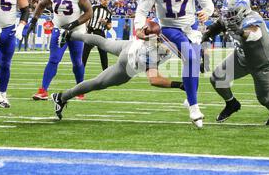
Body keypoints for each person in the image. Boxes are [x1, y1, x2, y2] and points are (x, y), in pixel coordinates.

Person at [134, 0, 214, 128]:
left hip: (191, 26)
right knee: (192, 59)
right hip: (169, 27)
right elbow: (142, 9)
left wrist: (208, 10)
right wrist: (139, 26)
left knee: (193, 63)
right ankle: (194, 107)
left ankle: (190, 99)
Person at [51, 30, 184, 120]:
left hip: (129, 45)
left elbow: (141, 31)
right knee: (98, 82)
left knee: (103, 42)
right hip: (128, 63)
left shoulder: (167, 33)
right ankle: (62, 97)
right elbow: (154, 80)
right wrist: (179, 85)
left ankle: (69, 34)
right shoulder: (152, 53)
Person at [202, 0, 269, 125]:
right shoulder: (229, 18)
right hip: (242, 58)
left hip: (265, 63)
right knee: (217, 77)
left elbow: (255, 34)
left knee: (265, 99)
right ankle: (231, 104)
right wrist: (206, 36)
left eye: (231, 13)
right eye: (226, 12)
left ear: (242, 11)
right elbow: (218, 25)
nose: (227, 16)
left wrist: (241, 31)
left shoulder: (252, 18)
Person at [31, 0, 93, 100]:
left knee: (77, 62)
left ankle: (80, 89)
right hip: (59, 29)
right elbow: (41, 4)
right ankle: (43, 90)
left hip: (76, 31)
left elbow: (89, 12)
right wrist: (34, 20)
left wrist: (74, 24)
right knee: (53, 59)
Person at [82, 0, 113, 70]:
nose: (106, 1)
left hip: (101, 33)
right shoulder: (94, 8)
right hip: (91, 32)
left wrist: (105, 23)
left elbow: (109, 27)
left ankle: (105, 73)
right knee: (85, 54)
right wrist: (87, 27)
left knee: (103, 55)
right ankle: (80, 71)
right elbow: (86, 16)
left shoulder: (109, 12)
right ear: (100, 0)